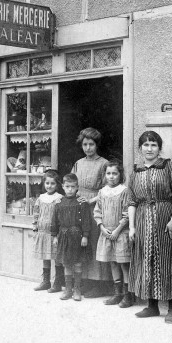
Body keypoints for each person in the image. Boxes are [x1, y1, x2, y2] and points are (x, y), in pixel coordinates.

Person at [128, 131, 172, 323]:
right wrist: (132, 227)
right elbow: (132, 201)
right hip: (143, 221)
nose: (149, 149)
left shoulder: (169, 167)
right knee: (147, 260)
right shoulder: (135, 172)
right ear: (140, 148)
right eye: (145, 145)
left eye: (153, 145)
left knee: (168, 261)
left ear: (159, 148)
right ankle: (152, 306)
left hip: (165, 219)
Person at [71, 127, 112, 297]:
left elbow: (107, 187)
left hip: (96, 206)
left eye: (91, 144)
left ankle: (100, 284)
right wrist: (76, 197)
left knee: (95, 242)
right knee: (82, 243)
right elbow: (72, 183)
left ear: (97, 145)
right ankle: (85, 281)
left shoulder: (104, 164)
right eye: (85, 144)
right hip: (80, 206)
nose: (88, 148)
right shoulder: (78, 163)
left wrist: (91, 200)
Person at [94, 160, 133, 308]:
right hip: (107, 232)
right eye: (108, 173)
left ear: (120, 175)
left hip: (120, 233)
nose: (111, 176)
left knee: (123, 263)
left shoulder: (124, 191)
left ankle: (128, 295)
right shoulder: (102, 192)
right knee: (113, 262)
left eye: (114, 173)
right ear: (104, 175)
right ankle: (118, 294)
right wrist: (102, 227)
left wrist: (117, 230)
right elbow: (97, 211)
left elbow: (127, 213)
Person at [53, 173, 91, 301]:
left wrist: (85, 236)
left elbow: (86, 221)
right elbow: (55, 221)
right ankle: (68, 290)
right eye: (67, 186)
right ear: (63, 186)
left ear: (77, 187)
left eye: (72, 187)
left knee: (78, 263)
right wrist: (55, 236)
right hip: (63, 236)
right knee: (67, 263)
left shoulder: (81, 203)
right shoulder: (59, 203)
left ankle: (77, 289)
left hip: (77, 237)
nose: (70, 189)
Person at [32, 170, 65, 292]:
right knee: (45, 256)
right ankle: (46, 281)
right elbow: (36, 213)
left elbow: (61, 216)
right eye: (47, 183)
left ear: (57, 185)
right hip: (42, 232)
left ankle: (57, 282)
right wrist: (35, 227)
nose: (49, 186)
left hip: (54, 233)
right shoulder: (41, 198)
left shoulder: (59, 198)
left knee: (56, 256)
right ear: (43, 184)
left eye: (52, 183)